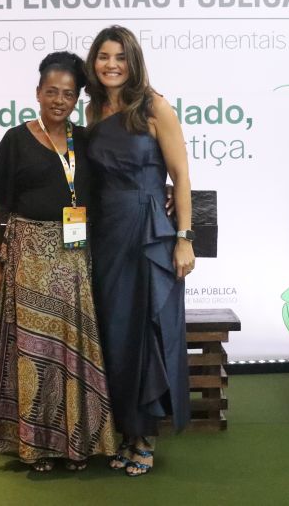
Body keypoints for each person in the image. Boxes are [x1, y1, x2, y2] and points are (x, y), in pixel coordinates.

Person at [0, 52, 117, 472]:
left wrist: (162, 193)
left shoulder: (86, 141)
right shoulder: (15, 140)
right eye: (52, 92)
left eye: (68, 94)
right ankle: (36, 446)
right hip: (29, 260)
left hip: (74, 262)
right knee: (34, 354)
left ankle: (77, 445)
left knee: (73, 352)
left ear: (77, 99)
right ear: (38, 93)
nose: (60, 100)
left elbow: (117, 182)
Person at [84, 25, 195, 477]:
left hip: (149, 235)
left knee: (146, 332)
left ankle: (145, 437)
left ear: (133, 62)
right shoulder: (93, 110)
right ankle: (126, 431)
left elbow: (180, 175)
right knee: (115, 334)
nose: (111, 64)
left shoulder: (154, 106)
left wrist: (184, 237)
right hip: (107, 234)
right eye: (103, 56)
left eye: (119, 57)